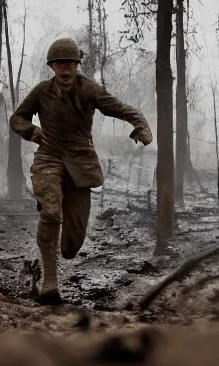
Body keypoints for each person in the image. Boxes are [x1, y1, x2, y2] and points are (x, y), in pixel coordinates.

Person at [10, 38, 153, 304]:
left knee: (72, 245)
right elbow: (17, 118)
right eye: (60, 64)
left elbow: (124, 109)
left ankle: (60, 253)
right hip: (48, 156)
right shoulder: (41, 91)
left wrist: (142, 126)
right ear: (52, 66)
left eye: (70, 65)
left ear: (77, 66)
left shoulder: (90, 90)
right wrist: (31, 131)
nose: (65, 71)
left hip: (81, 163)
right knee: (51, 212)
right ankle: (49, 283)